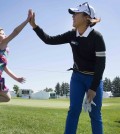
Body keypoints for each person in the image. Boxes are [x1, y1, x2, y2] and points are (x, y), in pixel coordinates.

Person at [29, 2, 106, 134]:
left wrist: (93, 88)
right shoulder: (72, 34)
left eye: (76, 13)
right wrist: (34, 26)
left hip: (94, 79)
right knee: (73, 111)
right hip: (77, 77)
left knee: (95, 114)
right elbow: (49, 40)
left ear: (86, 17)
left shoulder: (97, 37)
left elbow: (101, 64)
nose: (73, 16)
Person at [0, 9, 32, 102]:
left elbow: (4, 67)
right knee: (7, 97)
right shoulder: (2, 44)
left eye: (4, 33)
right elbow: (15, 32)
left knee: (7, 98)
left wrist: (16, 78)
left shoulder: (5, 49)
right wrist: (27, 20)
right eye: (1, 33)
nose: (4, 35)